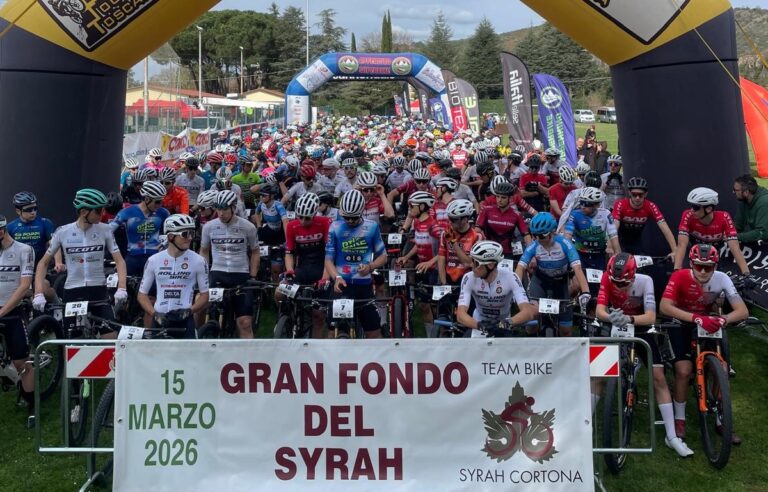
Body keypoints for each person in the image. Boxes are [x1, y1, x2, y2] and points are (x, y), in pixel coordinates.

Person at [595, 253, 693, 457]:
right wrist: (612, 317)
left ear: (633, 276)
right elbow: (599, 311)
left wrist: (629, 319)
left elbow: (651, 317)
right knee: (597, 374)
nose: (618, 286)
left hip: (640, 326)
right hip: (614, 323)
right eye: (615, 282)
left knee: (658, 377)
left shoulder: (645, 281)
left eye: (623, 283)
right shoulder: (607, 277)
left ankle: (672, 436)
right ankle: (582, 426)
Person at [660, 243, 748, 445]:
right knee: (683, 371)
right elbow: (664, 306)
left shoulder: (722, 278)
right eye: (698, 266)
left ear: (715, 266)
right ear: (691, 263)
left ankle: (722, 418)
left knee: (722, 369)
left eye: (708, 267)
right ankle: (679, 419)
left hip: (709, 322)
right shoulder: (679, 276)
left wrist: (724, 319)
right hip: (681, 322)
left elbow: (742, 311)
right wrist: (695, 318)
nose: (702, 271)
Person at [33, 189, 127, 341]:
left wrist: (122, 287)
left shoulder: (105, 230)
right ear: (83, 212)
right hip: (73, 290)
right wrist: (38, 293)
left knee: (110, 338)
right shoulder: (63, 232)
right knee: (73, 342)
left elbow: (120, 261)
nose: (103, 213)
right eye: (98, 210)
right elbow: (43, 263)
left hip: (98, 290)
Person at [324, 190, 388, 339]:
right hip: (342, 285)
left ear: (361, 212)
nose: (350, 221)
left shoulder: (372, 227)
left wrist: (370, 267)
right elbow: (328, 260)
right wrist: (337, 277)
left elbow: (383, 257)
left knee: (374, 334)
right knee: (332, 333)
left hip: (364, 286)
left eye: (354, 217)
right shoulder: (335, 227)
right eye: (346, 217)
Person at [516, 212, 590, 336]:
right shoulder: (534, 245)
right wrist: (516, 289)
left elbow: (577, 269)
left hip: (560, 283)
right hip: (540, 281)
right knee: (531, 326)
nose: (538, 239)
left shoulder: (564, 244)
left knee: (566, 331)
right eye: (534, 235)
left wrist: (586, 291)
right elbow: (520, 267)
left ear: (552, 232)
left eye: (541, 236)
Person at [199, 190, 260, 339]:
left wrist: (252, 276)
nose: (221, 213)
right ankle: (195, 336)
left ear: (233, 207)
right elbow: (204, 251)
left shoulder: (248, 227)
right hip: (217, 272)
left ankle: (248, 352)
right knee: (199, 305)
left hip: (240, 274)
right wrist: (203, 274)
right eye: (218, 209)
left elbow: (255, 252)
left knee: (245, 322)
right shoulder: (209, 227)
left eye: (225, 209)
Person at [139, 214, 209, 339]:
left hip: (185, 320)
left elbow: (205, 295)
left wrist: (190, 311)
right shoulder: (154, 260)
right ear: (171, 236)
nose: (190, 238)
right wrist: (154, 314)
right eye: (185, 234)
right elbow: (142, 295)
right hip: (160, 319)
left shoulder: (199, 261)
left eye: (192, 233)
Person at [0, 215, 36, 426]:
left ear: (2, 231)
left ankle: (32, 405)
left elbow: (24, 286)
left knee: (22, 363)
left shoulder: (24, 250)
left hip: (13, 310)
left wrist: (3, 311)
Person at [457, 240, 534, 338]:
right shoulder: (469, 278)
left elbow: (528, 312)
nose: (472, 265)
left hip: (504, 322)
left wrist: (506, 323)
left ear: (490, 265)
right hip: (479, 322)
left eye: (476, 263)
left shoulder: (511, 277)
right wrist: (480, 325)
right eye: (471, 261)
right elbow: (460, 314)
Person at [281, 193, 331, 338]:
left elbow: (330, 254)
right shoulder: (292, 226)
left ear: (315, 214)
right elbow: (289, 252)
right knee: (279, 292)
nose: (303, 221)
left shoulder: (325, 222)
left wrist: (325, 277)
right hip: (302, 268)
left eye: (307, 218)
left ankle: (315, 344)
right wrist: (290, 270)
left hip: (321, 268)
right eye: (300, 217)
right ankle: (287, 318)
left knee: (318, 315)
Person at [674, 187, 750, 275]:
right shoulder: (688, 215)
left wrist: (746, 273)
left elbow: (735, 248)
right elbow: (682, 245)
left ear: (709, 209)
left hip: (713, 257)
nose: (692, 210)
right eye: (692, 206)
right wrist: (676, 269)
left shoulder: (724, 217)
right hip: (692, 255)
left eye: (695, 207)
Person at [395, 191, 441, 337]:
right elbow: (419, 243)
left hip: (434, 270)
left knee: (434, 307)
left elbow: (445, 249)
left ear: (422, 206)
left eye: (412, 206)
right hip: (422, 268)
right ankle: (429, 338)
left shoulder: (433, 225)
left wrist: (430, 262)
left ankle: (438, 336)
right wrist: (406, 257)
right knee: (423, 306)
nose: (409, 209)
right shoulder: (417, 222)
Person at [109, 181, 170, 277]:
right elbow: (108, 231)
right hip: (132, 257)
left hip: (154, 258)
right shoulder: (127, 212)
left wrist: (165, 244)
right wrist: (116, 252)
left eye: (162, 201)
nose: (160, 205)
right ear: (147, 199)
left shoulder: (163, 213)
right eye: (157, 202)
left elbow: (173, 232)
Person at [612, 177, 677, 255]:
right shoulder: (620, 204)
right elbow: (613, 228)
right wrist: (612, 247)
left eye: (640, 195)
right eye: (634, 194)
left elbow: (665, 228)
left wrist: (675, 250)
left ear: (645, 194)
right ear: (629, 193)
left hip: (636, 243)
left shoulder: (650, 206)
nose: (637, 198)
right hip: (618, 241)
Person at [565, 187, 620, 273]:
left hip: (599, 254)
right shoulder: (574, 215)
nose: (582, 207)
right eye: (581, 202)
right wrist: (569, 254)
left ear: (597, 205)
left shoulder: (606, 214)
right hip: (580, 254)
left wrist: (617, 254)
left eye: (587, 204)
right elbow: (567, 236)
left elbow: (613, 235)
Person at [477, 181, 531, 259]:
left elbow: (526, 235)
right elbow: (477, 230)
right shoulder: (486, 210)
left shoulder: (517, 214)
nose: (499, 200)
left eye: (503, 197)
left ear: (510, 198)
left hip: (508, 254)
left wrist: (531, 255)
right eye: (497, 196)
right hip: (489, 252)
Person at [437, 199, 484, 286]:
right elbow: (441, 259)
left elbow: (469, 263)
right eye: (449, 218)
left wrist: (453, 243)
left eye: (453, 219)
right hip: (448, 278)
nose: (450, 222)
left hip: (468, 280)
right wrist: (444, 283)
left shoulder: (477, 236)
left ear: (464, 219)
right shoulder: (445, 233)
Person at [733, 174, 768, 243]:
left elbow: (762, 233)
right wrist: (727, 232)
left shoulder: (764, 203)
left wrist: (734, 237)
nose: (733, 192)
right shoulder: (744, 200)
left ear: (746, 192)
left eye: (735, 190)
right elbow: (738, 224)